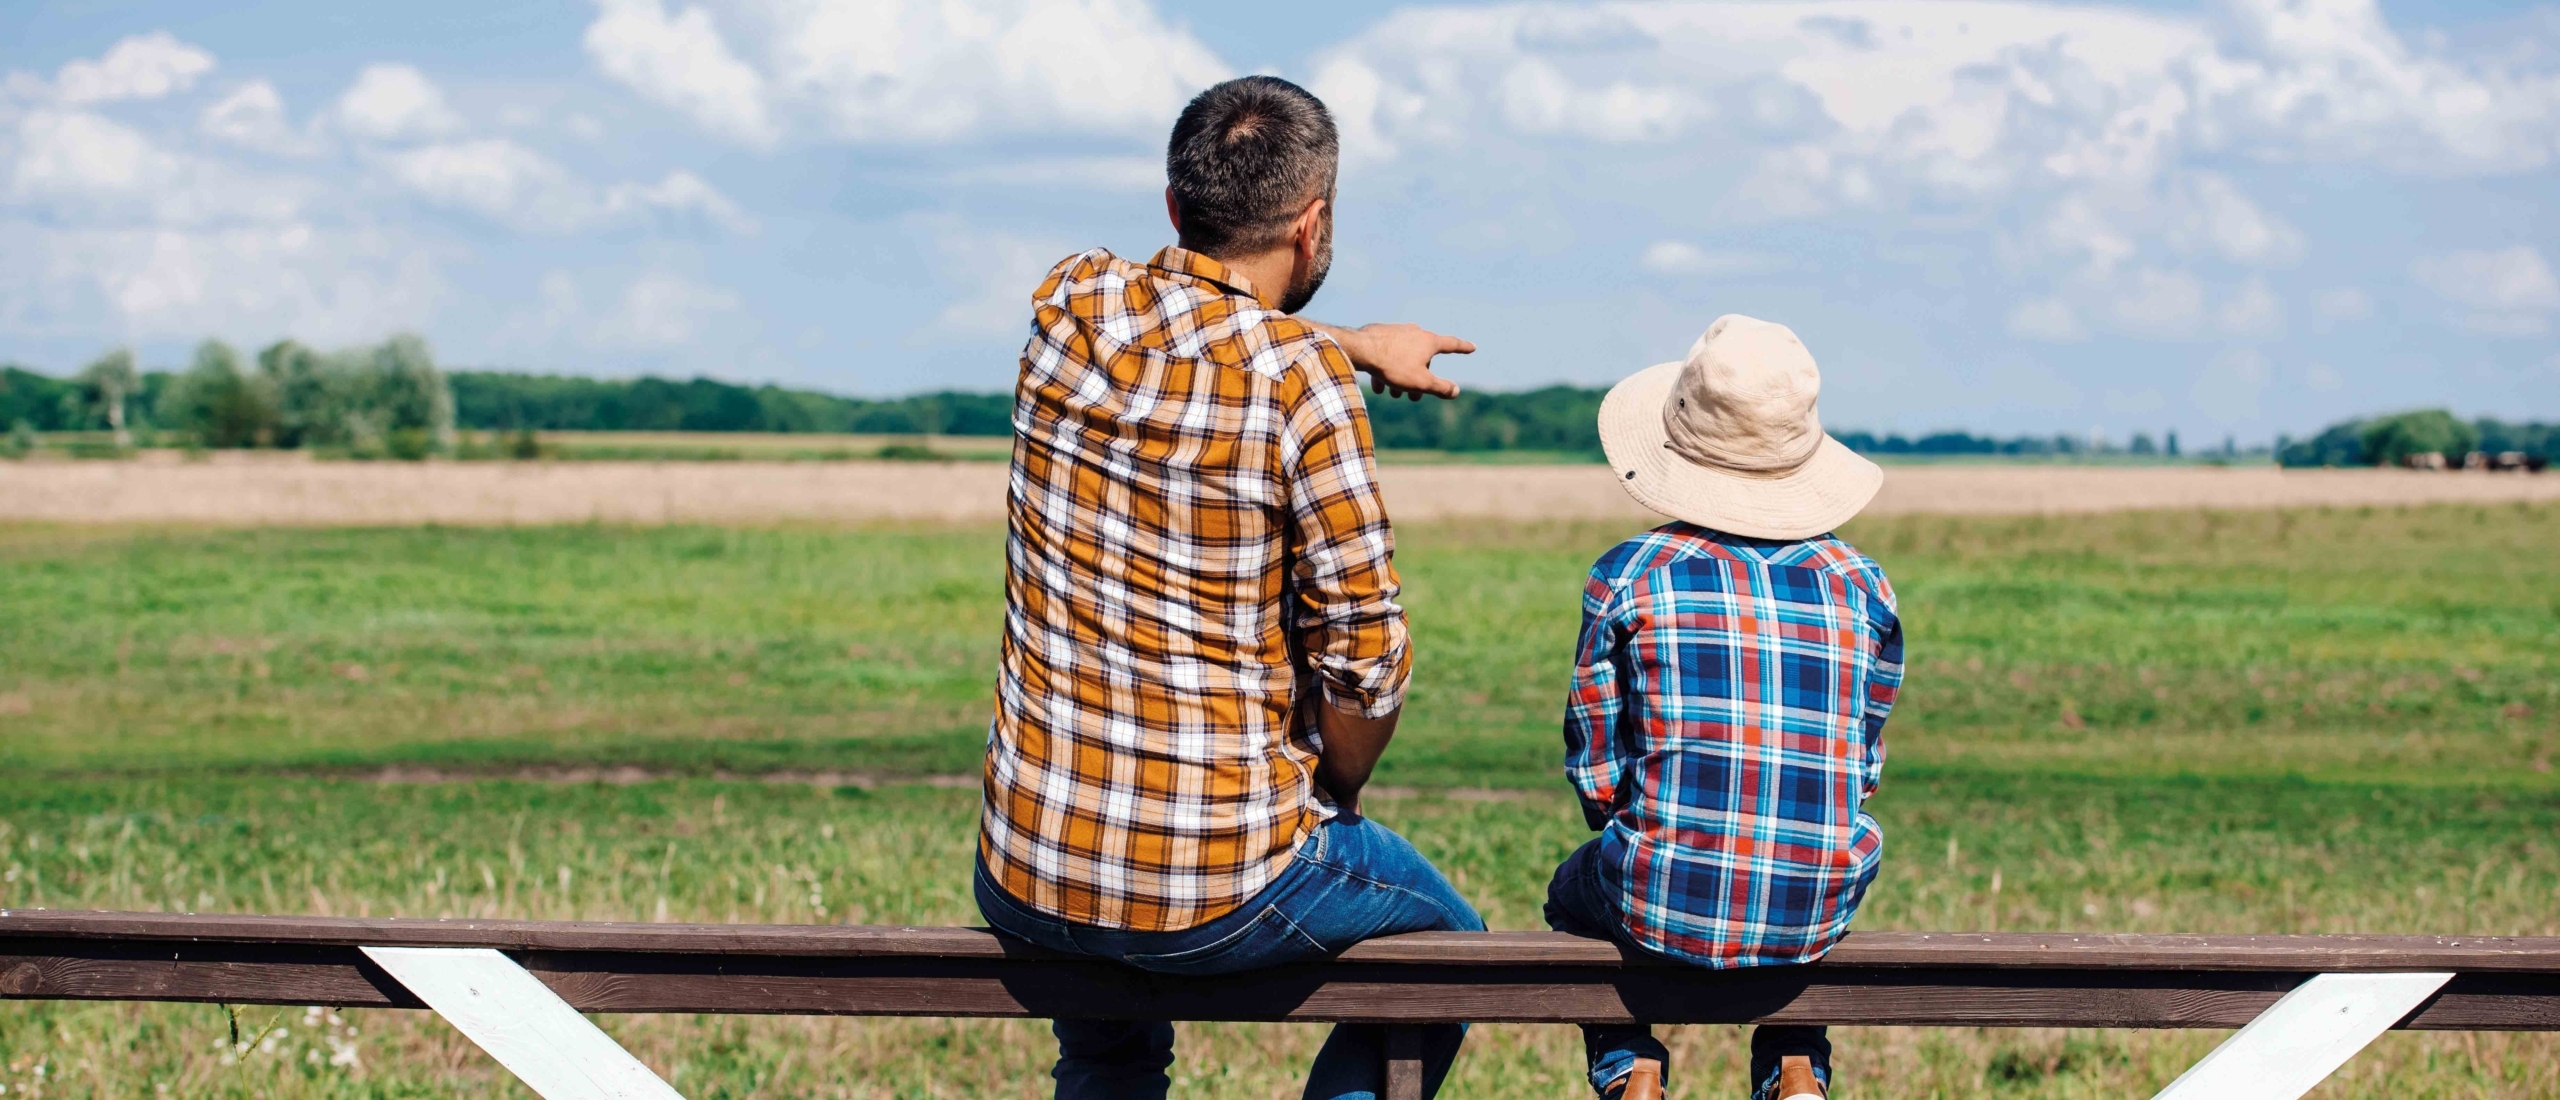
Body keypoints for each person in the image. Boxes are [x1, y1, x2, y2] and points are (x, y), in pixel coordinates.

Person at [973, 74, 1482, 1100]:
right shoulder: (1305, 384)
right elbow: (1366, 663)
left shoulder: (1070, 307)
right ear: (1315, 218)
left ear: (1174, 206)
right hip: (1216, 883)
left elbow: (1199, 320)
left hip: (1029, 867)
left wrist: (1349, 340)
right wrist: (1333, 789)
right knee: (1452, 948)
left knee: (1108, 1037)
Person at [1549, 315, 1904, 1100]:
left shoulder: (1629, 574)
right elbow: (1863, 768)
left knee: (1569, 898)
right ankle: (1797, 1066)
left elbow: (1597, 775)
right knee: (1805, 894)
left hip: (1652, 896)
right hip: (1813, 901)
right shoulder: (1861, 583)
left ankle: (1629, 1066)